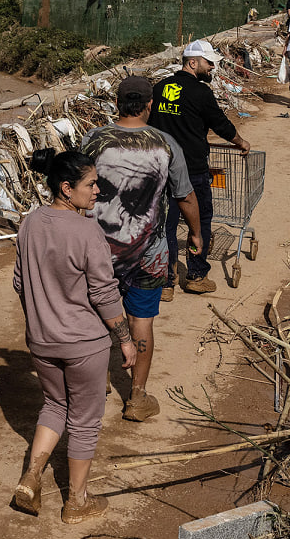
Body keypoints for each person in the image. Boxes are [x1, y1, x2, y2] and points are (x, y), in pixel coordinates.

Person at [12, 150, 137, 523]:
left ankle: (32, 476)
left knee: (54, 405)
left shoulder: (29, 223)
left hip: (42, 340)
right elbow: (103, 292)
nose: (98, 190)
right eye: (91, 184)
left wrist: (42, 315)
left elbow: (20, 282)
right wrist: (125, 339)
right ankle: (76, 501)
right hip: (83, 343)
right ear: (66, 188)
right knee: (84, 419)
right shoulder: (86, 231)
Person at [85, 75, 203, 423]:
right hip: (149, 254)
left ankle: (98, 380)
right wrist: (196, 234)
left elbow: (75, 192)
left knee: (95, 315)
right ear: (149, 105)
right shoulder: (166, 145)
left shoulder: (94, 140)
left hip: (98, 252)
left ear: (116, 104)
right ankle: (136, 398)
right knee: (142, 321)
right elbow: (184, 197)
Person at [149, 40, 250, 300]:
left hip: (161, 167)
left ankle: (166, 282)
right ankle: (195, 276)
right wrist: (241, 142)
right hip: (192, 168)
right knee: (200, 220)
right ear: (192, 62)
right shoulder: (200, 92)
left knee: (166, 225)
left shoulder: (159, 88)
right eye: (208, 62)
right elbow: (220, 124)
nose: (212, 67)